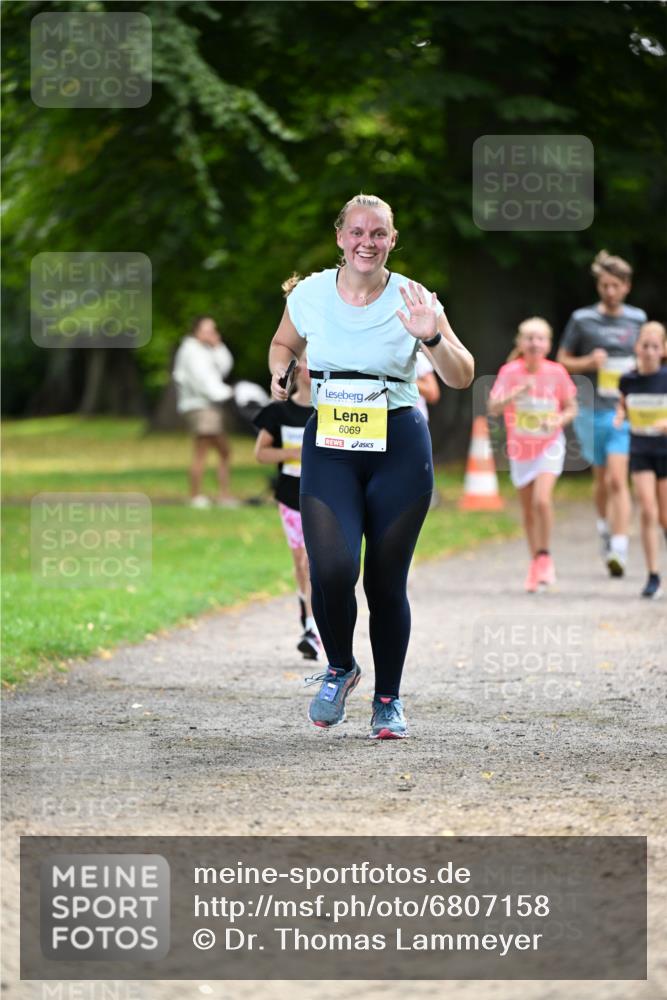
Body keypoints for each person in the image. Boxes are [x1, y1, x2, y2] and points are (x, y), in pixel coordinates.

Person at [267, 193, 474, 740]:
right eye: (357, 232)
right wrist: (281, 370)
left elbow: (461, 374)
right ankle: (340, 667)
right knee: (331, 568)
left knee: (385, 582)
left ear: (392, 240)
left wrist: (432, 336)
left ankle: (388, 700)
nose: (367, 242)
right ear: (340, 237)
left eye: (378, 233)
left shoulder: (414, 297)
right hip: (331, 444)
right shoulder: (310, 294)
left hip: (398, 447)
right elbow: (282, 343)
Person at [557, 251, 647, 576]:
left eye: (615, 285)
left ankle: (619, 549)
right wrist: (588, 362)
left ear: (627, 286)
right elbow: (562, 359)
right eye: (604, 285)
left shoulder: (637, 319)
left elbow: (648, 357)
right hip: (590, 409)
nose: (609, 291)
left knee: (617, 478)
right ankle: (605, 528)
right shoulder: (583, 319)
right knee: (602, 479)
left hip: (623, 411)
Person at [488, 318, 578, 592]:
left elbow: (571, 407)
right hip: (521, 448)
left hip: (550, 445)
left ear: (548, 344)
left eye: (540, 338)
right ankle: (535, 563)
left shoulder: (557, 372)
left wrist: (558, 420)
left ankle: (545, 555)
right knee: (528, 510)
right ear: (520, 343)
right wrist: (514, 394)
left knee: (541, 500)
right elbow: (493, 407)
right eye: (529, 338)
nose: (535, 343)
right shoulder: (509, 372)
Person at [254, 349, 321, 659]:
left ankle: (315, 629)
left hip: (323, 495)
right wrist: (293, 454)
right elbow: (261, 453)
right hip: (290, 497)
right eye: (305, 361)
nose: (310, 367)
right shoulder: (279, 412)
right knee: (300, 563)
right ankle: (307, 622)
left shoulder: (328, 411)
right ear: (295, 369)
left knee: (312, 562)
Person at [615, 321, 667, 599]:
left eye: (654, 346)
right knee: (648, 510)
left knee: (665, 516)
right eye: (645, 345)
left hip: (665, 451)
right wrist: (619, 416)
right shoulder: (627, 380)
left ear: (663, 350)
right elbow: (623, 405)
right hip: (640, 450)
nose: (649, 351)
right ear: (637, 347)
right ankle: (653, 575)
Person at [173, 315, 238, 509]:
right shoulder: (191, 352)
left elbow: (224, 367)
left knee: (223, 451)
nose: (212, 333)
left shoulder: (206, 350)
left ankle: (222, 495)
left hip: (209, 406)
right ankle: (197, 495)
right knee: (205, 451)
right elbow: (202, 382)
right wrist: (227, 393)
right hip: (201, 407)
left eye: (213, 330)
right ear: (196, 331)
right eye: (207, 330)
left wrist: (218, 346)